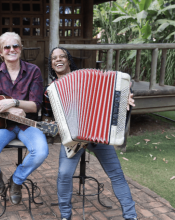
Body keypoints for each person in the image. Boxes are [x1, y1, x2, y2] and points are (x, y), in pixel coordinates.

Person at [42, 47, 138, 220]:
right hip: (73, 140)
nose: (58, 60)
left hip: (99, 135)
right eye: (54, 58)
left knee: (116, 173)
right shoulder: (51, 91)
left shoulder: (86, 79)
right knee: (64, 174)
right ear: (51, 64)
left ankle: (131, 216)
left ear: (68, 60)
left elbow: (112, 100)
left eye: (62, 56)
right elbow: (47, 117)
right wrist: (55, 126)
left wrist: (125, 99)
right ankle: (65, 216)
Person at [0, 32, 49, 205]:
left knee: (40, 152)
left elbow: (35, 105)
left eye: (15, 46)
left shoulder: (34, 71)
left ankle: (16, 180)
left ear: (21, 49)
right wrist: (7, 111)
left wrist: (14, 102)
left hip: (28, 124)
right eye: (7, 47)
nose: (12, 49)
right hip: (3, 124)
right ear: (0, 51)